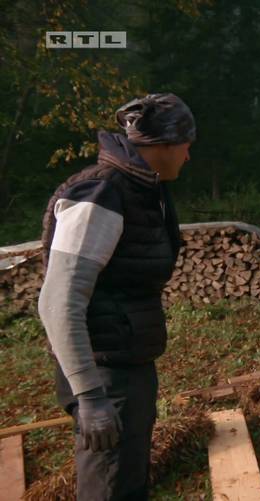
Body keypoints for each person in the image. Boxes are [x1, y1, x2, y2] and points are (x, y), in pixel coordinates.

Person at [38, 93, 195, 500]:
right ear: (161, 145)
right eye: (186, 145)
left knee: (128, 479)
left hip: (127, 362)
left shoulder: (143, 188)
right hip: (105, 374)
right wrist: (90, 397)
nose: (188, 156)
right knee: (109, 487)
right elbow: (58, 301)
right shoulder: (102, 195)